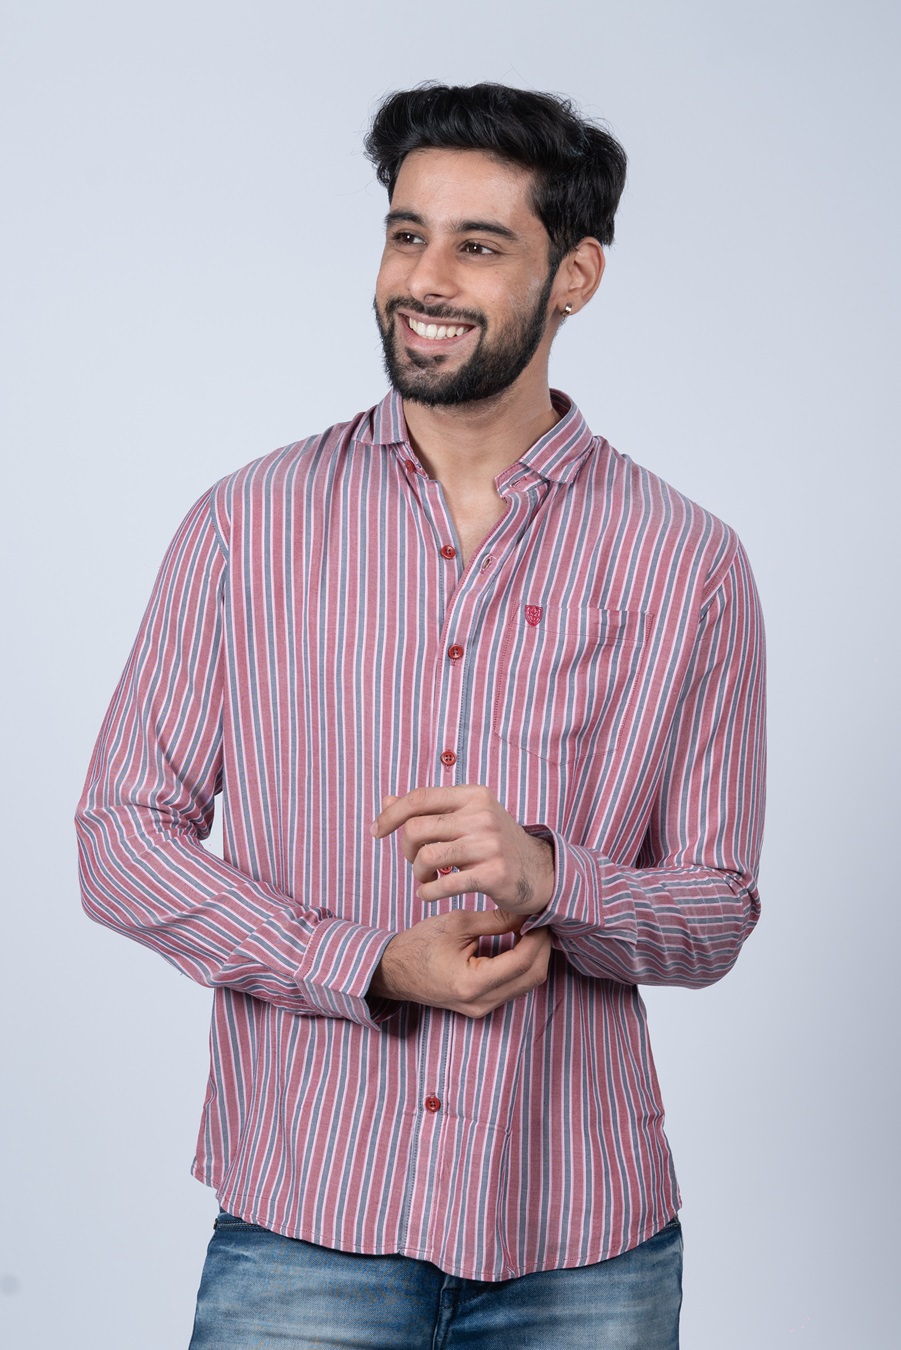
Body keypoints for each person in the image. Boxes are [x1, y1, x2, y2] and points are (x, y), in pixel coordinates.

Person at [76, 82, 765, 1348]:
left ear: (574, 276)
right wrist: (370, 965)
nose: (424, 279)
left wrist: (553, 877)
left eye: (478, 244)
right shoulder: (246, 525)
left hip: (581, 1240)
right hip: (306, 1220)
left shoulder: (689, 564)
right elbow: (119, 838)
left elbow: (715, 912)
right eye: (407, 234)